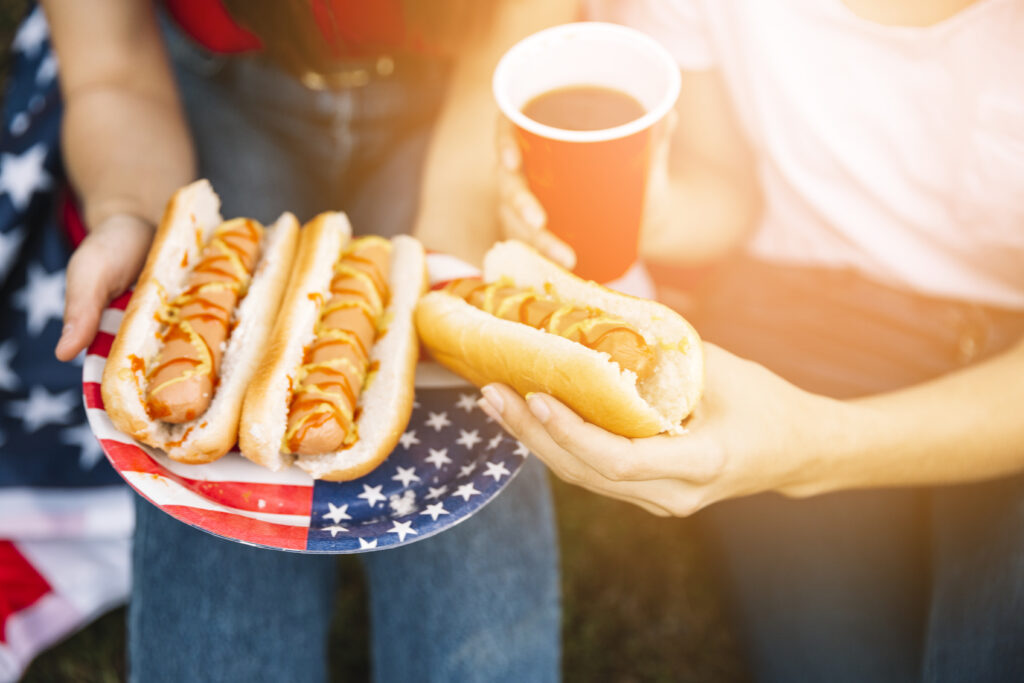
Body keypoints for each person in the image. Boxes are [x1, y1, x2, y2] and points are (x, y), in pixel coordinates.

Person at [477, 0, 1024, 681]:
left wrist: (812, 447)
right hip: (795, 326)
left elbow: (810, 446)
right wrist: (653, 213)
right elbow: (731, 186)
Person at [43, 0, 577, 680]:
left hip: (460, 97)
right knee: (216, 526)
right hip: (210, 91)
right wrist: (129, 211)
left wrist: (459, 232)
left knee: (467, 482)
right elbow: (110, 65)